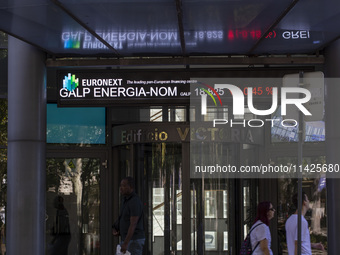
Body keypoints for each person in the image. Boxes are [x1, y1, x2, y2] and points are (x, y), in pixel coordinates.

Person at [113, 177, 145, 255]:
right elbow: (124, 218)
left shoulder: (134, 201)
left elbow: (133, 223)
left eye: (123, 186)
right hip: (126, 240)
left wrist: (126, 243)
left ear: (131, 187)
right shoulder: (125, 200)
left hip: (133, 240)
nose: (121, 188)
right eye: (120, 185)